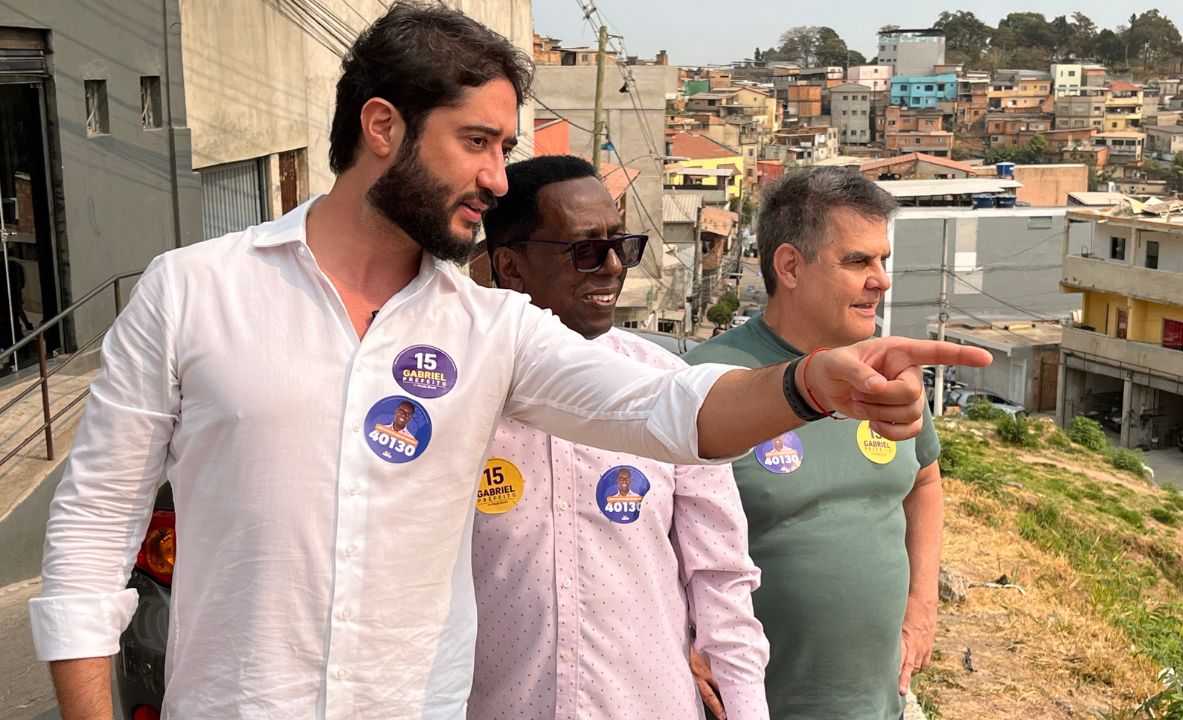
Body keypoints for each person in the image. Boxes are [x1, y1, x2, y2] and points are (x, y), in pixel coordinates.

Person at [30, 4, 988, 718]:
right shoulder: (190, 290)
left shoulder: (492, 329)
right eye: (477, 143)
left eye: (504, 147)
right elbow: (90, 532)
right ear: (383, 127)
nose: (497, 177)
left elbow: (669, 411)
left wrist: (810, 383)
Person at [469, 155, 767, 720]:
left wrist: (748, 706)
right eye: (585, 249)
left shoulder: (668, 390)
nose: (611, 267)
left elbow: (721, 576)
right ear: (511, 266)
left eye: (621, 245)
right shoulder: (460, 396)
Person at [685, 166, 946, 719]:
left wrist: (922, 603)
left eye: (883, 261)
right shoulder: (707, 381)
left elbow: (923, 480)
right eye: (858, 261)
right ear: (790, 266)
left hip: (882, 707)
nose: (882, 279)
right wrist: (674, 641)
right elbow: (639, 537)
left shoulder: (886, 368)